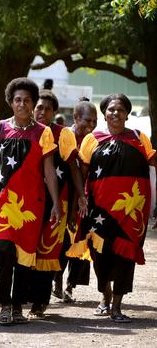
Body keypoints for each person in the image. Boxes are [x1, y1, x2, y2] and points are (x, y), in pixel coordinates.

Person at [0, 77, 61, 325]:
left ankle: (18, 305)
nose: (22, 104)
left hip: (33, 203)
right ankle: (5, 304)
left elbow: (49, 170)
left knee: (24, 258)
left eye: (27, 100)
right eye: (18, 100)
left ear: (33, 103)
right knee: (2, 253)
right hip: (3, 203)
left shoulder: (43, 132)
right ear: (11, 102)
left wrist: (56, 202)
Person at [69, 94, 153, 323]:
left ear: (127, 114)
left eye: (120, 110)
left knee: (126, 258)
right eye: (110, 110)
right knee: (100, 256)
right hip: (99, 210)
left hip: (133, 211)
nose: (115, 113)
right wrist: (80, 199)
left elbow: (153, 161)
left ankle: (116, 306)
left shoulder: (139, 137)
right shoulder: (92, 139)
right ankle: (104, 295)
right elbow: (82, 172)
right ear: (104, 113)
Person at [28, 90, 86, 320]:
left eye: (47, 109)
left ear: (54, 112)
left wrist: (77, 201)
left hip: (56, 203)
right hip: (27, 201)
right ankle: (23, 297)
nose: (42, 112)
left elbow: (73, 170)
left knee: (47, 252)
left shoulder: (62, 134)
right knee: (26, 250)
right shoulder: (23, 130)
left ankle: (40, 302)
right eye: (39, 107)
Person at [53, 100, 98, 301]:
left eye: (95, 121)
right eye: (87, 120)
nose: (91, 125)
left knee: (82, 243)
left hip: (86, 201)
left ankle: (70, 287)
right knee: (62, 243)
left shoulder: (95, 140)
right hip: (64, 197)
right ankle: (57, 282)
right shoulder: (64, 137)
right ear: (76, 118)